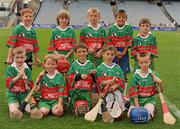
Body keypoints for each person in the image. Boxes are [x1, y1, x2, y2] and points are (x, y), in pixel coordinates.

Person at [128, 52, 163, 122]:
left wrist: (160, 82)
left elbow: (160, 91)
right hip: (137, 101)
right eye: (141, 62)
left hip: (149, 100)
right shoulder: (135, 77)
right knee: (131, 116)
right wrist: (137, 107)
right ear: (138, 63)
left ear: (149, 62)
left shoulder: (154, 74)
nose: (144, 64)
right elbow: (134, 94)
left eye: (146, 62)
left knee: (147, 116)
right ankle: (129, 105)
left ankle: (153, 109)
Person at [96, 45, 125, 123]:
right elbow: (98, 83)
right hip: (105, 93)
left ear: (115, 55)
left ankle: (119, 109)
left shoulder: (117, 67)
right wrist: (106, 82)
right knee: (107, 99)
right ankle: (107, 111)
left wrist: (115, 85)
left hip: (116, 91)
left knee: (118, 96)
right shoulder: (100, 68)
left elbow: (122, 81)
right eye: (107, 54)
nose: (110, 56)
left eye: (112, 54)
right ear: (103, 54)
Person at [5, 47, 36, 119]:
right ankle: (13, 104)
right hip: (12, 94)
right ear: (13, 57)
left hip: (24, 95)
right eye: (17, 57)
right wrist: (18, 76)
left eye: (22, 57)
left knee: (31, 111)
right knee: (14, 113)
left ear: (25, 57)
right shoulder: (10, 68)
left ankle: (21, 104)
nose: (19, 60)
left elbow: (30, 87)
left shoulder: (27, 69)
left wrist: (25, 78)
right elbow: (8, 85)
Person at [67, 44, 97, 116]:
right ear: (76, 53)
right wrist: (79, 76)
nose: (82, 54)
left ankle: (85, 108)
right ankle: (74, 107)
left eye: (84, 51)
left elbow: (95, 80)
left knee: (90, 103)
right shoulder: (74, 64)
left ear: (87, 52)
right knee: (72, 103)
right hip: (76, 90)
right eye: (79, 52)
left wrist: (93, 74)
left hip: (87, 89)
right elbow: (69, 76)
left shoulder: (90, 64)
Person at [107, 9, 133, 82]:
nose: (121, 19)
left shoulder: (129, 27)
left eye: (123, 17)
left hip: (124, 51)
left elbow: (129, 40)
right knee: (114, 68)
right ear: (116, 18)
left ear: (126, 18)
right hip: (113, 51)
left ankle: (124, 84)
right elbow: (109, 41)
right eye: (119, 17)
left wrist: (124, 52)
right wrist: (116, 52)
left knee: (124, 70)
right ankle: (113, 82)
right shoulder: (111, 28)